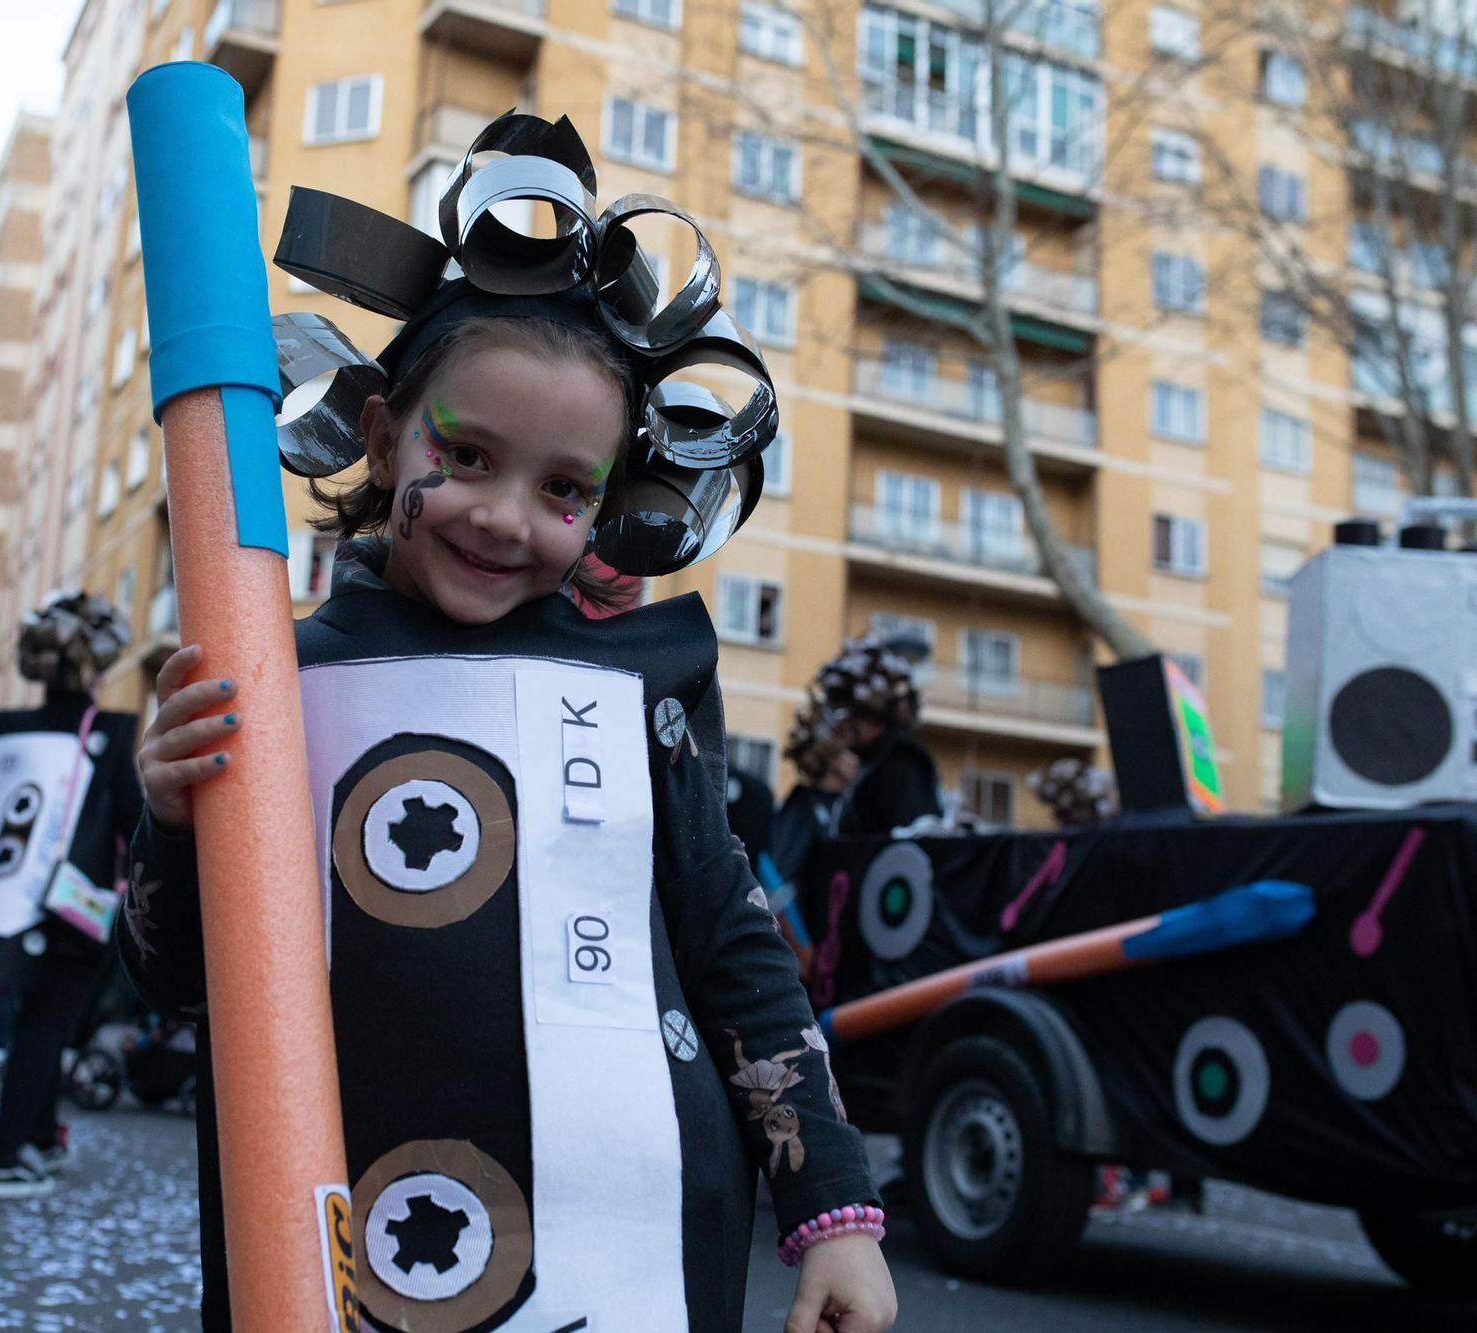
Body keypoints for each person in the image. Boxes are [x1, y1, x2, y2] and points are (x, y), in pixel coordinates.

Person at [115, 112, 895, 1333]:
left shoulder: (645, 684)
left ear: (612, 501)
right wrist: (168, 814)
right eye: (466, 455)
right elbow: (174, 977)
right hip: (340, 1238)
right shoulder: (277, 679)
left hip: (630, 1241)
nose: (503, 515)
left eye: (563, 489)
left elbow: (732, 944)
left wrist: (831, 1213)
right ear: (381, 437)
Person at [0, 591, 145, 1198]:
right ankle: (5, 1152)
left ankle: (43, 1137)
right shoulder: (109, 730)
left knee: (33, 1022)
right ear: (97, 668)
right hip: (71, 910)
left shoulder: (3, 729)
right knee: (47, 1029)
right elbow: (135, 820)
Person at [813, 636, 942, 840]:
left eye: (844, 712)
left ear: (872, 716)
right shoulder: (871, 763)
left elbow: (908, 847)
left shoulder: (902, 764)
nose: (836, 724)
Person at [768, 683, 861, 884]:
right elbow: (780, 871)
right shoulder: (804, 804)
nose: (858, 760)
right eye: (851, 751)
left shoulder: (848, 805)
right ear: (834, 758)